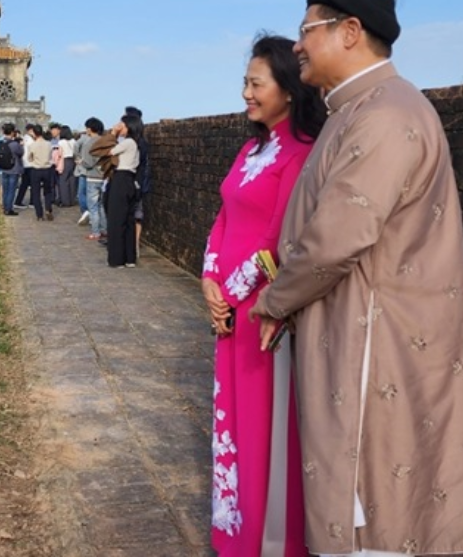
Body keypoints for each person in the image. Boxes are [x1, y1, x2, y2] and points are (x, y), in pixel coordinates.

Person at [249, 0, 463, 557]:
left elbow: (337, 236)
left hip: (379, 343)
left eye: (307, 29)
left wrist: (273, 300)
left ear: (350, 31)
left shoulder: (384, 115)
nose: (299, 45)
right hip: (359, 326)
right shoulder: (355, 111)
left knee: (377, 504)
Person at [201, 34, 326, 557]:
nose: (247, 93)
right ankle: (232, 529)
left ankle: (268, 540)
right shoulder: (251, 149)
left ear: (289, 90)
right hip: (227, 313)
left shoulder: (301, 155)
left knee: (262, 427)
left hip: (261, 314)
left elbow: (279, 237)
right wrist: (208, 278)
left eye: (256, 83)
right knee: (230, 418)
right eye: (246, 83)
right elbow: (224, 216)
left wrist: (230, 293)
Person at [103, 115, 142, 267]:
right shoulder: (135, 144)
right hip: (130, 180)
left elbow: (108, 152)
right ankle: (129, 257)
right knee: (128, 220)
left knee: (116, 220)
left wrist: (113, 132)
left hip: (120, 180)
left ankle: (117, 258)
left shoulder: (127, 142)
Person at [124, 106, 151, 260]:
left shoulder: (136, 144)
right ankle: (133, 244)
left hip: (135, 182)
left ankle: (132, 244)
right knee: (136, 215)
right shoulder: (141, 142)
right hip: (139, 182)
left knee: (133, 214)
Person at [78, 117, 107, 240]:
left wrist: (81, 162)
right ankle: (104, 229)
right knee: (102, 206)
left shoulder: (89, 143)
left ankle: (95, 232)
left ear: (89, 129)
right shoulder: (105, 141)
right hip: (105, 176)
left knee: (93, 206)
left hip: (93, 177)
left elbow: (88, 163)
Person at [25, 123, 54, 221]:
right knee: (48, 191)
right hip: (47, 169)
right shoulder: (49, 144)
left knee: (36, 192)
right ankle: (48, 208)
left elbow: (29, 158)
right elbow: (51, 156)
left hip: (36, 169)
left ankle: (39, 214)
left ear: (34, 133)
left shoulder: (32, 145)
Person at [0, 123, 24, 216]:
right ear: (12, 132)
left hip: (4, 169)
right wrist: (21, 145)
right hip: (13, 169)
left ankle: (5, 206)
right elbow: (21, 153)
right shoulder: (14, 144)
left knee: (5, 189)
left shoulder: (1, 142)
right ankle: (9, 209)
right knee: (11, 190)